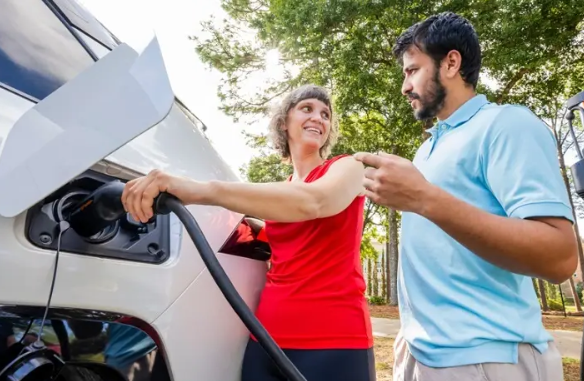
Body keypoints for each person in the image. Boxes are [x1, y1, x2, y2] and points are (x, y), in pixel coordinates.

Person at [354, 11, 578, 381]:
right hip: (419, 354)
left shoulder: (506, 123)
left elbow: (559, 257)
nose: (404, 86)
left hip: (487, 358)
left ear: (451, 63)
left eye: (412, 70)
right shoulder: (426, 150)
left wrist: (424, 197)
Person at [121, 84, 376, 381]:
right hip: (266, 338)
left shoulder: (348, 167)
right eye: (307, 109)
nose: (319, 118)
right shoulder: (277, 194)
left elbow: (314, 201)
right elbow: (276, 233)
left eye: (325, 114)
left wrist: (204, 190)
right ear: (284, 123)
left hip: (336, 340)